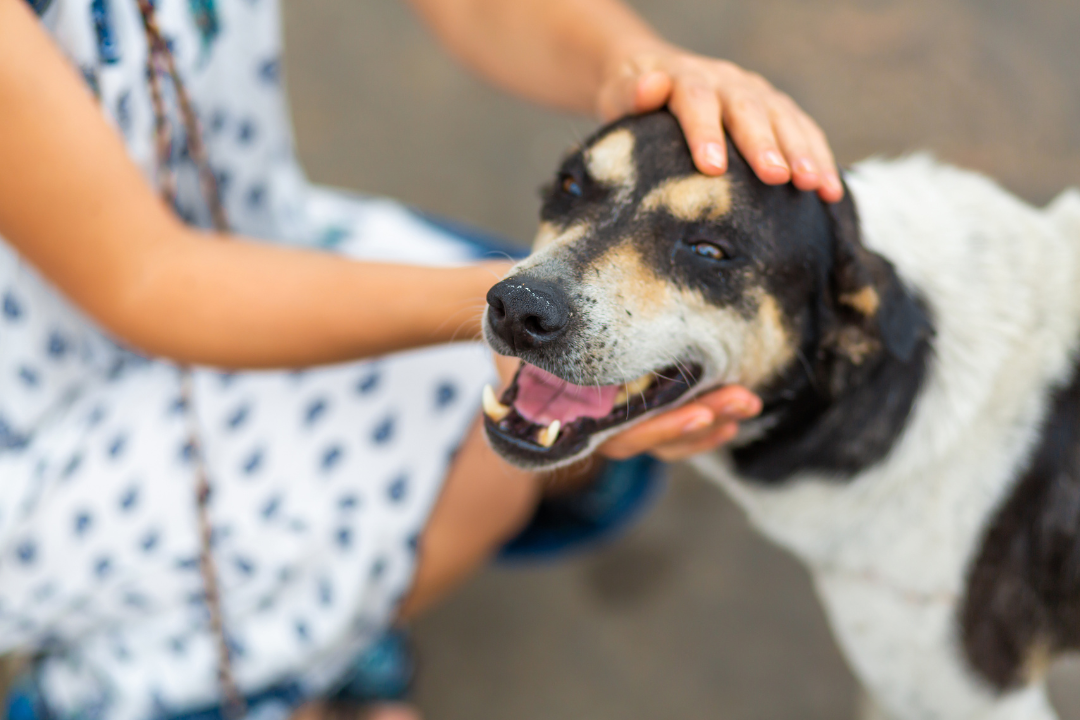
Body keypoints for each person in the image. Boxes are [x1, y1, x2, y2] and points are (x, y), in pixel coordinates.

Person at [0, 0, 841, 719]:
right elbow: (151, 281)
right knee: (499, 431)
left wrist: (644, 65)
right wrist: (512, 305)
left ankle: (316, 609)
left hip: (251, 235)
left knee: (549, 394)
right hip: (43, 402)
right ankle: (130, 689)